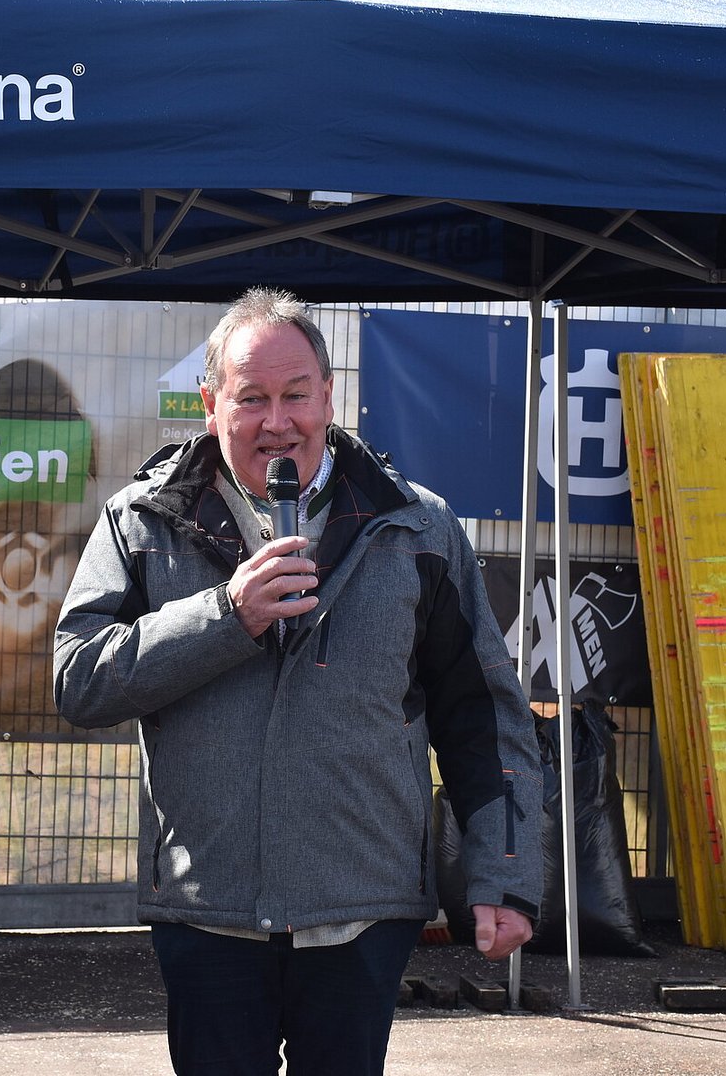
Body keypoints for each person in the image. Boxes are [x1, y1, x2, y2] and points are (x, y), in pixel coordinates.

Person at [53, 288, 543, 1074]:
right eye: (251, 398)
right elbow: (80, 681)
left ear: (328, 398)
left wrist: (503, 875)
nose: (276, 422)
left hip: (362, 909)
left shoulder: (417, 527)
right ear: (210, 404)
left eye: (295, 395)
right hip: (206, 908)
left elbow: (481, 715)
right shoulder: (139, 522)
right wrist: (225, 615)